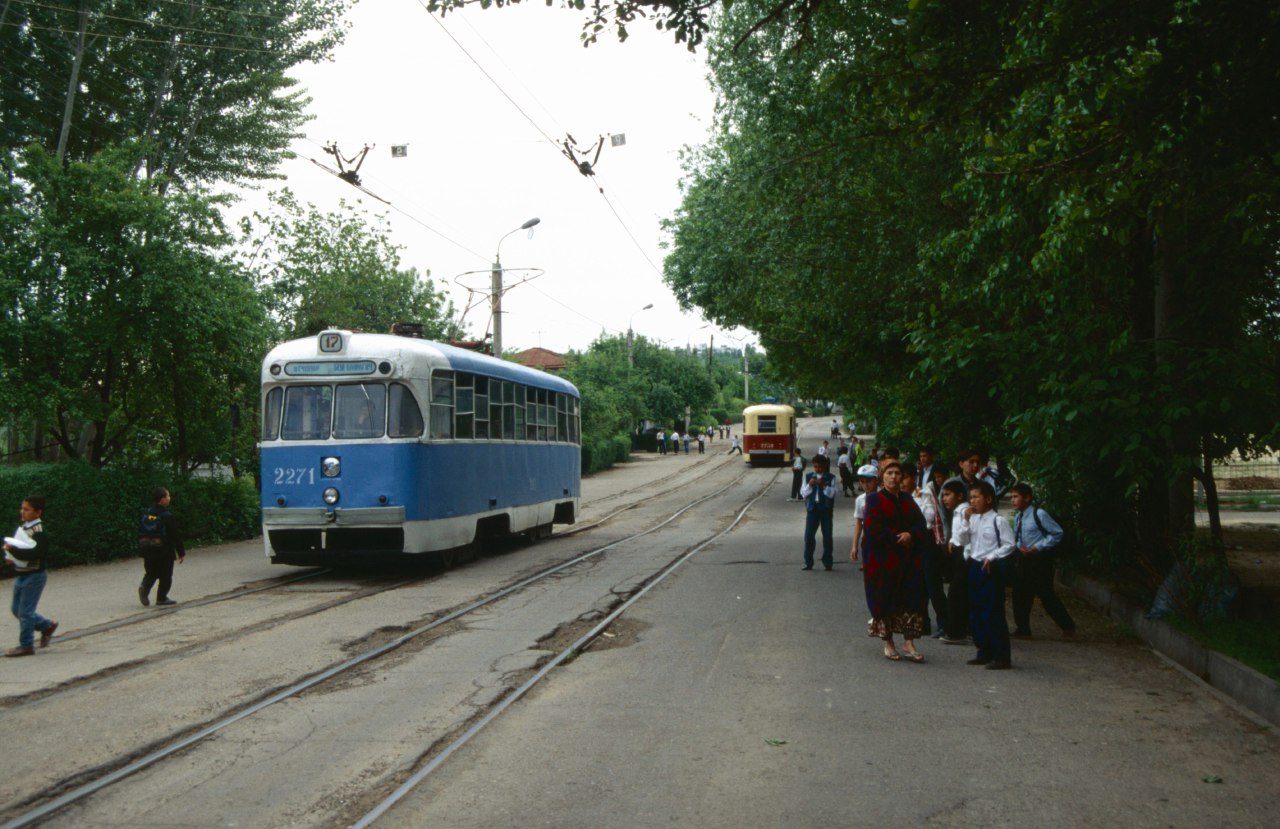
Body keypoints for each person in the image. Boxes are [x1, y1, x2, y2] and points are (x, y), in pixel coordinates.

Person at [862, 460, 929, 662]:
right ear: (882, 476)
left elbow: (920, 523)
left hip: (907, 559)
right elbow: (873, 527)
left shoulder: (907, 499)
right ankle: (888, 642)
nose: (894, 477)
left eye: (897, 473)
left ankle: (909, 642)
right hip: (882, 559)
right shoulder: (874, 500)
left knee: (911, 598)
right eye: (889, 473)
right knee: (885, 599)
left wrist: (911, 534)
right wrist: (896, 538)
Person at [953, 481, 1016, 669]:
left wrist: (992, 556)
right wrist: (965, 521)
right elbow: (961, 540)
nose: (972, 501)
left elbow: (1009, 544)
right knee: (976, 612)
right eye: (970, 497)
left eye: (976, 497)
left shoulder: (998, 520)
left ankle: (1001, 655)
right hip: (974, 566)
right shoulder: (973, 519)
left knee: (992, 613)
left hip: (990, 568)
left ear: (988, 499)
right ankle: (983, 651)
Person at [1009, 483, 1076, 639]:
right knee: (1020, 593)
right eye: (1011, 497)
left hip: (1040, 560)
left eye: (1016, 497)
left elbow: (1057, 533)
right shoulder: (1019, 516)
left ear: (1027, 498)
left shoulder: (1039, 514)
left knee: (1046, 594)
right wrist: (1020, 548)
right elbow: (1017, 537)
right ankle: (1023, 628)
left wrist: (1037, 547)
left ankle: (1068, 626)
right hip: (1024, 559)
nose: (1013, 500)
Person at [3, 495, 56, 656]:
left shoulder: (39, 531)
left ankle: (26, 645)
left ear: (38, 512)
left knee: (25, 612)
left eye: (27, 509)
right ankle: (45, 625)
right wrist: (12, 558)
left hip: (34, 576)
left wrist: (13, 551)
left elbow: (35, 554)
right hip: (22, 574)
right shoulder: (24, 528)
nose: (22, 512)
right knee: (17, 609)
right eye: (22, 508)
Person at [904, 463, 949, 639]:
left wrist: (916, 501)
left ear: (913, 478)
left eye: (905, 477)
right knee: (917, 585)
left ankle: (945, 623)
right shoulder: (901, 498)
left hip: (927, 542)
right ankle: (923, 622)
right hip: (912, 545)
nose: (901, 482)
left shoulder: (923, 494)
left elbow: (929, 518)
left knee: (932, 585)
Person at [138, 486, 186, 607]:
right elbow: (175, 535)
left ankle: (144, 587)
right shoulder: (167, 515)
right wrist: (181, 551)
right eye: (168, 496)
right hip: (164, 550)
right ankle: (161, 598)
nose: (170, 498)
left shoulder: (146, 512)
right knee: (166, 575)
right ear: (162, 499)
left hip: (147, 548)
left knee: (151, 572)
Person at [938, 480, 971, 644]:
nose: (944, 499)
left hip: (966, 555)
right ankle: (957, 630)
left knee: (957, 595)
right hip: (959, 553)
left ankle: (958, 632)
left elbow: (971, 534)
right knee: (957, 594)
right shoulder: (958, 511)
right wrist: (952, 540)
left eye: (948, 495)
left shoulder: (966, 511)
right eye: (943, 495)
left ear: (959, 496)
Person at [800, 454, 838, 571]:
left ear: (825, 466)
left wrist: (824, 486)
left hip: (826, 510)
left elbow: (834, 494)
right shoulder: (808, 477)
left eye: (820, 467)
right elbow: (803, 493)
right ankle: (808, 562)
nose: (818, 469)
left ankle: (828, 562)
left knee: (827, 537)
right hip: (812, 510)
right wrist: (809, 486)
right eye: (815, 467)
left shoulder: (831, 478)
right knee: (809, 537)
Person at [848, 464, 879, 570]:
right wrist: (854, 546)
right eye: (862, 481)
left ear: (876, 480)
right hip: (868, 538)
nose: (866, 485)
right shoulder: (860, 500)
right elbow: (859, 522)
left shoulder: (884, 497)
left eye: (869, 481)